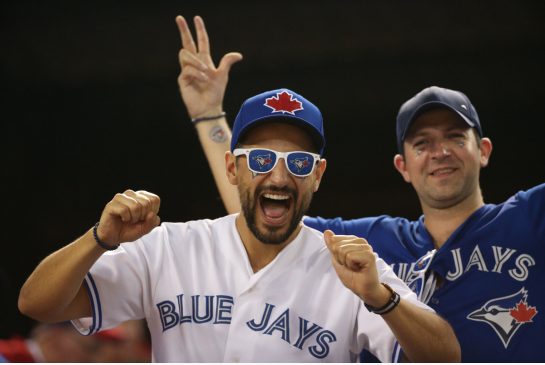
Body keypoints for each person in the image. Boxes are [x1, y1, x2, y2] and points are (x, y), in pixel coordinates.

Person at [17, 19, 460, 360]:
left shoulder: (349, 269)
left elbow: (446, 357)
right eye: (262, 160)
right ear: (233, 168)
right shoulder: (171, 246)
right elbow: (37, 303)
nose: (280, 177)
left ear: (318, 174)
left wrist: (381, 298)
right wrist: (99, 238)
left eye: (299, 163)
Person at [179, 16, 545, 362]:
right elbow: (261, 211)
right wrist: (209, 115)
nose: (440, 152)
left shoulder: (530, 217)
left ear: (483, 151)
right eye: (422, 143)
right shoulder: (371, 242)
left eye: (454, 137)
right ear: (402, 166)